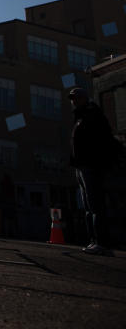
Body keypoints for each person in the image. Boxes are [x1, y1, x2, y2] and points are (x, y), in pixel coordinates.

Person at [69, 87, 123, 256]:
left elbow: (102, 140)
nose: (74, 101)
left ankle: (102, 243)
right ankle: (93, 240)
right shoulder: (81, 117)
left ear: (85, 99)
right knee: (88, 206)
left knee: (95, 205)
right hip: (82, 166)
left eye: (77, 98)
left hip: (91, 166)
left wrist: (96, 162)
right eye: (72, 99)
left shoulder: (93, 115)